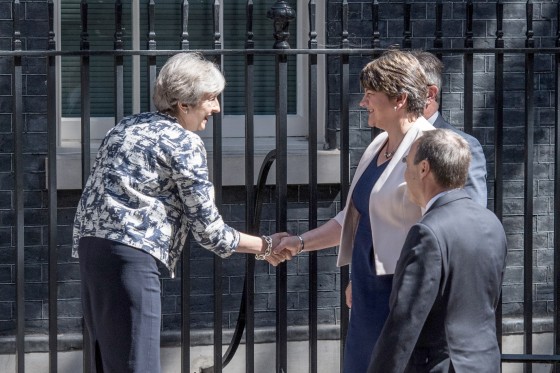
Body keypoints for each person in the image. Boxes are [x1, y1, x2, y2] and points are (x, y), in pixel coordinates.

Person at [72, 52, 288, 373]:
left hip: (91, 248)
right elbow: (209, 232)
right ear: (183, 105)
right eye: (210, 99)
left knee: (106, 364)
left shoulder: (127, 126)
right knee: (137, 364)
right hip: (132, 255)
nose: (216, 108)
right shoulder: (183, 141)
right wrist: (266, 246)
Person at [273, 50, 435, 373]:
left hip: (398, 300)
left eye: (370, 95)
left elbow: (442, 228)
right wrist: (300, 242)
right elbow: (351, 217)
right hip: (365, 297)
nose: (363, 103)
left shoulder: (429, 147)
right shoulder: (378, 145)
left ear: (400, 98)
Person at [367, 129, 507, 373]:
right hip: (485, 364)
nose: (404, 172)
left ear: (423, 169)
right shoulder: (491, 223)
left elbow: (405, 321)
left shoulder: (427, 232)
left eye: (405, 162)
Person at [411, 50, 488, 207]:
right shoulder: (387, 143)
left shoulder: (465, 145)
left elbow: (473, 211)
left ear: (430, 94)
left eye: (403, 89)